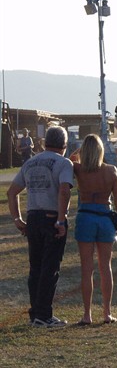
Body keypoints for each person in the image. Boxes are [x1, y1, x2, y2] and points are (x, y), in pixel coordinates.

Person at [7, 126, 73, 328]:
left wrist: (17, 218)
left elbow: (12, 192)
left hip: (33, 218)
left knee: (35, 268)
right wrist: (61, 220)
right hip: (52, 217)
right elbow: (64, 191)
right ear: (64, 145)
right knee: (50, 268)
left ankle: (35, 311)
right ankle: (44, 315)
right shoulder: (64, 163)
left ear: (45, 143)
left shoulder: (30, 162)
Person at [70, 134, 117, 325]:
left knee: (87, 269)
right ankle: (107, 312)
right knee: (106, 267)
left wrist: (79, 152)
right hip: (105, 218)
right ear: (102, 151)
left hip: (86, 216)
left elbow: (68, 159)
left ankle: (87, 314)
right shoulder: (111, 171)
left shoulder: (78, 169)